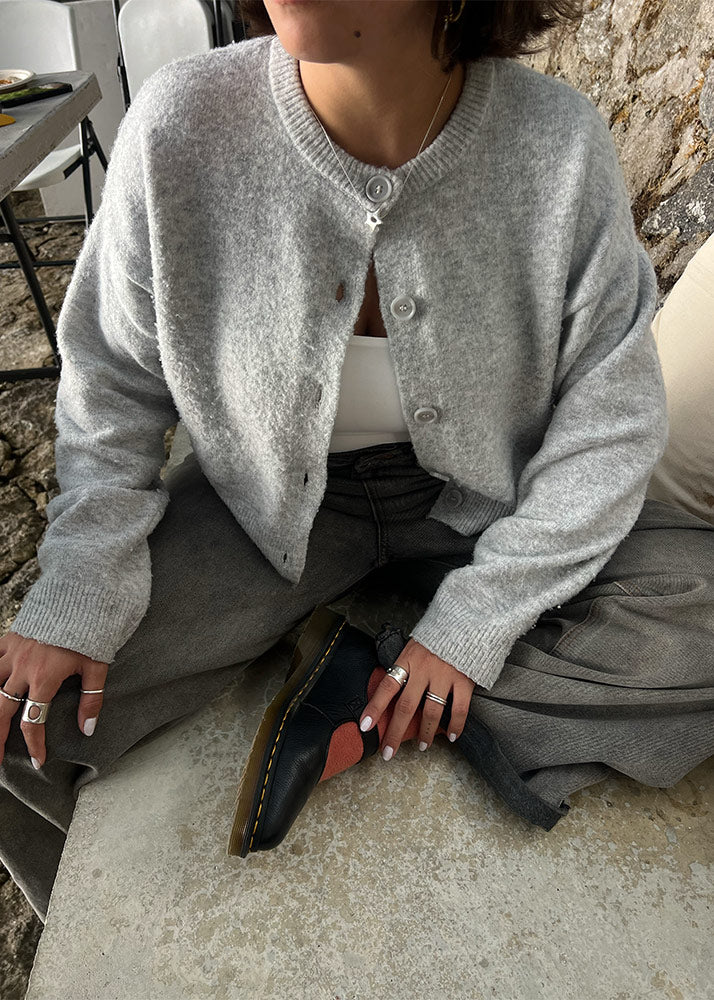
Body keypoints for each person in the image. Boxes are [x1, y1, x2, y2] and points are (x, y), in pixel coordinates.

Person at [1, 0, 713, 923]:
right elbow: (112, 381)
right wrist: (87, 575)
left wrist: (478, 620)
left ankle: (364, 681)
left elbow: (610, 419)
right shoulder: (179, 128)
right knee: (24, 728)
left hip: (483, 503)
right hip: (260, 514)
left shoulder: (558, 145)